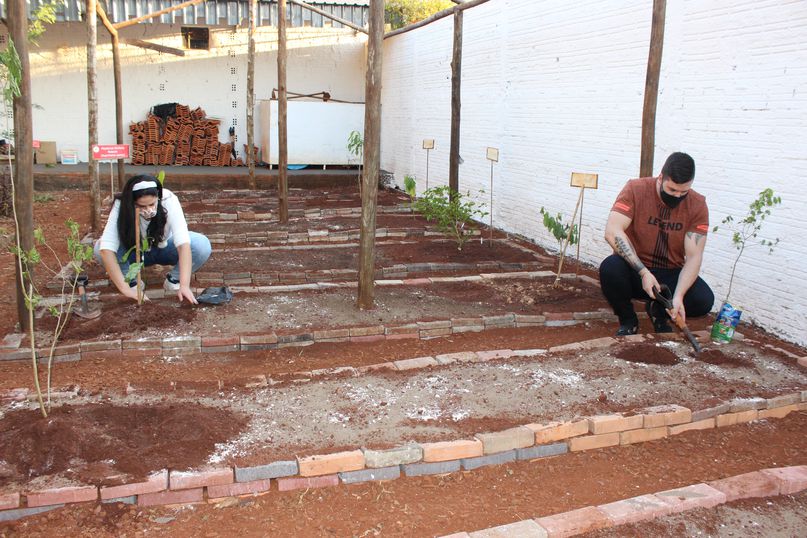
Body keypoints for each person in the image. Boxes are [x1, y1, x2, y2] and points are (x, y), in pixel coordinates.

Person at [600, 152, 714, 336]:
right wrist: (643, 272)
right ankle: (628, 319)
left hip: (670, 272)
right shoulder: (635, 189)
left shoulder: (697, 204)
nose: (677, 196)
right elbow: (612, 231)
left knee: (703, 300)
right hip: (636, 269)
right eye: (672, 190)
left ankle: (658, 311)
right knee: (610, 268)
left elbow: (694, 257)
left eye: (683, 192)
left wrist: (679, 296)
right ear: (661, 178)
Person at [94, 174, 211, 304]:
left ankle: (174, 280)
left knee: (201, 245)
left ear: (158, 197)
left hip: (164, 247)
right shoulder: (121, 205)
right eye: (142, 206)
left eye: (152, 204)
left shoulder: (168, 199)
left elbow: (183, 244)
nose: (148, 210)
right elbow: (106, 249)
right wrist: (125, 290)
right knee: (99, 248)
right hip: (134, 252)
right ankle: (131, 281)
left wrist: (184, 285)